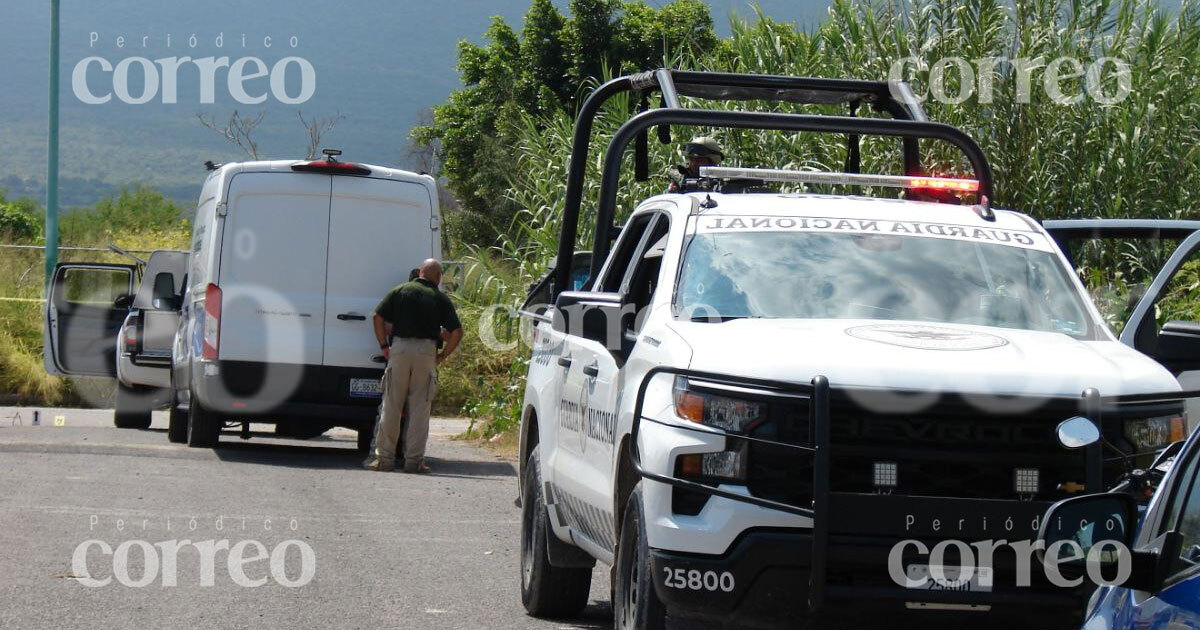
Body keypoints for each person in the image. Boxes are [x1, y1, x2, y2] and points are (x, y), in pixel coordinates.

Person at [364, 258, 463, 473]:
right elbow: (456, 332)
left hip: (399, 350)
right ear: (438, 277)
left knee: (391, 405)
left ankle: (384, 459)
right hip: (426, 353)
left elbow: (377, 316)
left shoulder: (400, 290)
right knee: (420, 408)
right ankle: (414, 461)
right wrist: (443, 355)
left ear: (420, 272)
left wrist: (384, 346)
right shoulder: (440, 298)